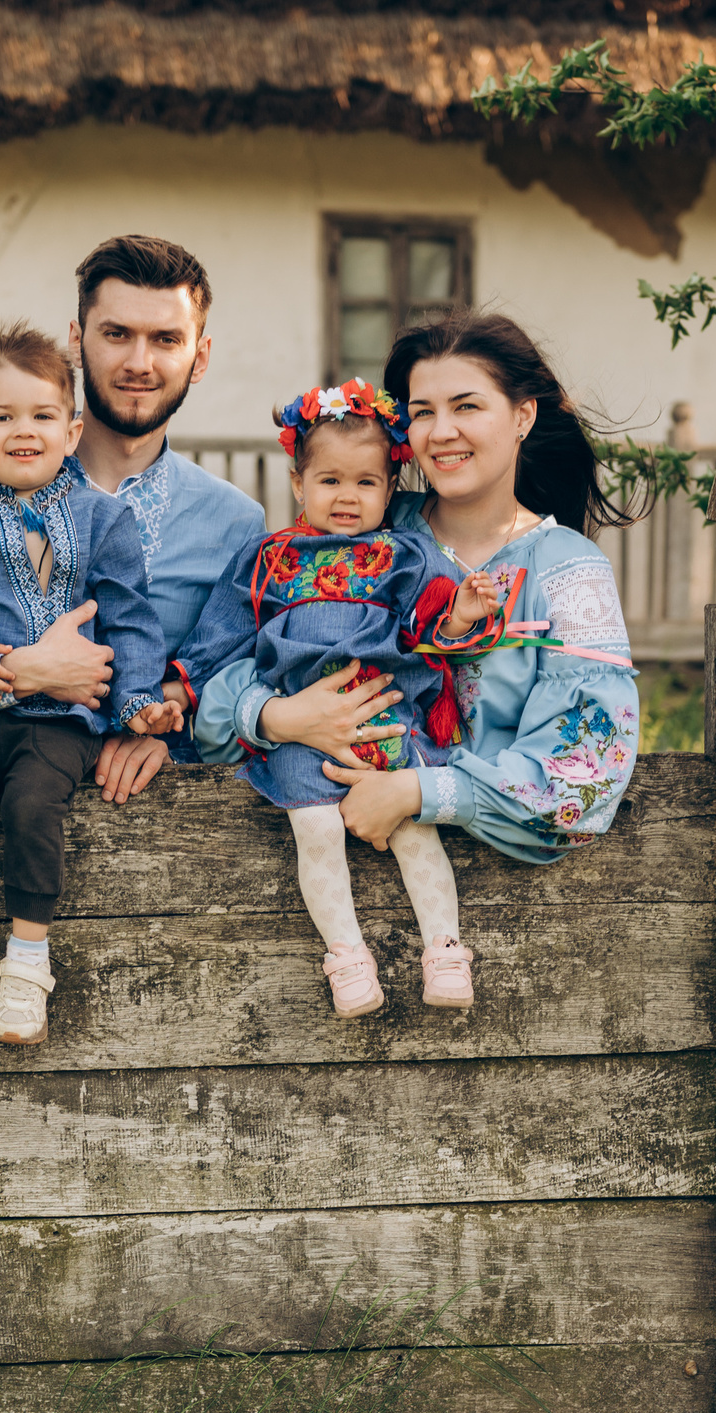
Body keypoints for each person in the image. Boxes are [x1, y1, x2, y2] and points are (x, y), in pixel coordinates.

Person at [0, 236, 319, 802]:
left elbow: (237, 685)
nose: (139, 362)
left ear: (200, 357)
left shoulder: (235, 521)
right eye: (116, 334)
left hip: (162, 850)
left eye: (166, 339)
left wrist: (169, 733)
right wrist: (22, 675)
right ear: (76, 341)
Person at [195, 312, 642, 863]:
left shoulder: (569, 568)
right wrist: (278, 717)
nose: (440, 431)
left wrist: (416, 791)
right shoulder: (359, 529)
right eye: (423, 412)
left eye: (467, 406)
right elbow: (219, 682)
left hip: (502, 900)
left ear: (523, 415)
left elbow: (587, 772)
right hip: (318, 886)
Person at [0, 323, 180, 1048]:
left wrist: (139, 698)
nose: (24, 430)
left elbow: (133, 620)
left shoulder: (103, 519)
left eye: (43, 415)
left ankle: (28, 963)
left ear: (72, 429)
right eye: (3, 417)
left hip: (58, 725)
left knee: (31, 806)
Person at [179, 379, 504, 1015]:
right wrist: (178, 687)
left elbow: (428, 627)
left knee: (416, 831)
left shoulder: (403, 555)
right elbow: (219, 636)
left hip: (388, 719)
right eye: (329, 481)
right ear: (299, 482)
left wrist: (461, 611)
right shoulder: (269, 558)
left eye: (366, 482)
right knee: (317, 827)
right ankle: (347, 955)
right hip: (301, 731)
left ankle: (444, 950)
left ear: (390, 487)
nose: (347, 497)